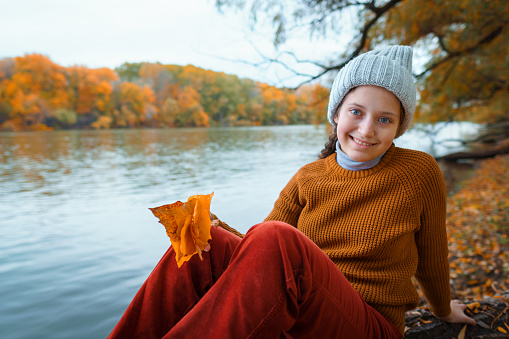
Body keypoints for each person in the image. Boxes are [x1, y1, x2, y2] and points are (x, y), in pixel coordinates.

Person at [107, 45, 476, 339]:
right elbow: (260, 252)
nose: (367, 129)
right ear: (337, 113)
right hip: (304, 311)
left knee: (278, 238)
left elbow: (432, 252)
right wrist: (219, 233)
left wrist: (443, 309)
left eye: (385, 119)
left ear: (399, 127)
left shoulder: (418, 172)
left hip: (366, 324)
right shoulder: (309, 177)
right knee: (210, 245)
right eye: (357, 112)